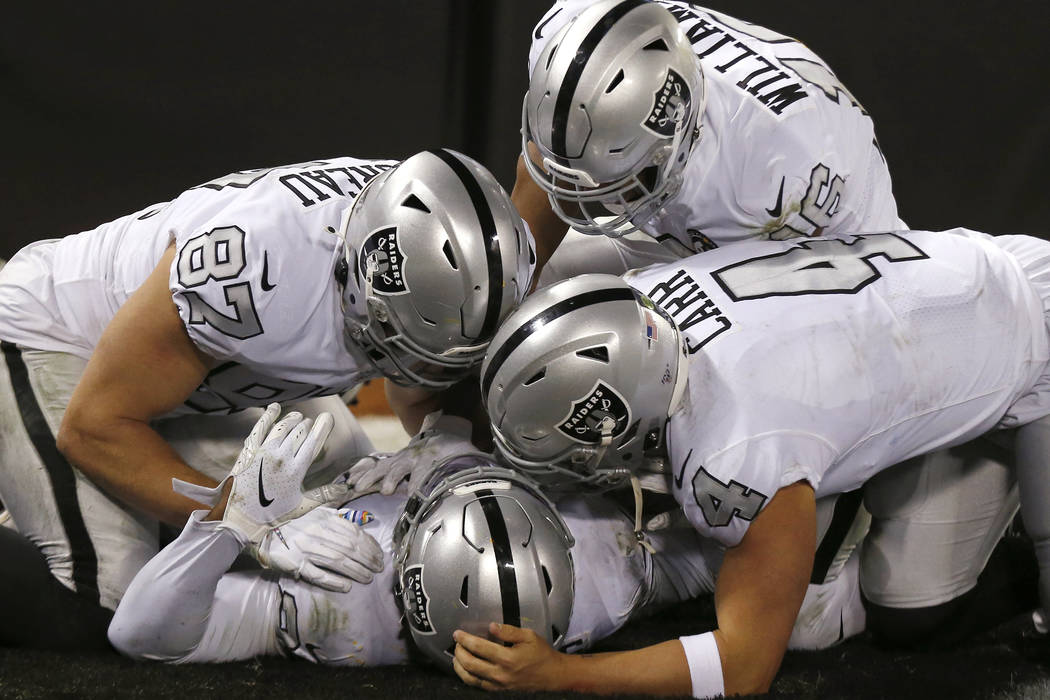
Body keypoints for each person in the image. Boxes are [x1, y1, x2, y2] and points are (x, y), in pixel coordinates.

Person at [473, 228, 1049, 696]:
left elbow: (743, 669)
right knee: (906, 599)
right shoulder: (643, 293)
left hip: (1034, 348)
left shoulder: (734, 444)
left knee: (865, 621)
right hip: (968, 306)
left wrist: (561, 676)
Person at [0, 149, 534, 638]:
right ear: (356, 283)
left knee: (337, 472)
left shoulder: (469, 249)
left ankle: (50, 494)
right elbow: (94, 427)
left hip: (190, 380)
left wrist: (446, 433)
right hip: (58, 342)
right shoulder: (251, 275)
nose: (419, 370)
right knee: (119, 593)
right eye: (406, 345)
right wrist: (246, 523)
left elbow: (442, 375)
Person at [107, 409, 864, 665]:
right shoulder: (608, 580)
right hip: (617, 516)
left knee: (110, 581)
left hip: (308, 490)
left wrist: (231, 528)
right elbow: (780, 504)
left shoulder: (350, 612)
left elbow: (139, 630)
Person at [513, 0, 904, 287]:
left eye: (613, 175)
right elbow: (547, 173)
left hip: (834, 261)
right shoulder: (570, 33)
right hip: (700, 220)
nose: (589, 190)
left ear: (675, 142)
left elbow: (798, 315)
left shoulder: (775, 171)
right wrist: (509, 292)